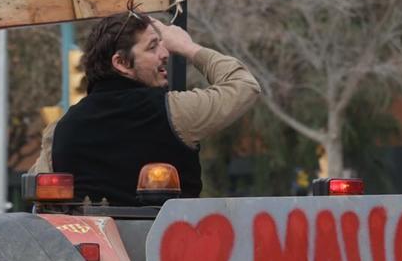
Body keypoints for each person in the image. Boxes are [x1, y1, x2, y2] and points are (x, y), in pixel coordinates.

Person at [32, 12, 260, 204]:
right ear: (120, 62)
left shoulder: (59, 130)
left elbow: (38, 193)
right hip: (168, 252)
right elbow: (244, 85)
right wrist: (189, 48)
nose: (165, 53)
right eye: (153, 47)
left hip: (88, 254)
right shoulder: (174, 111)